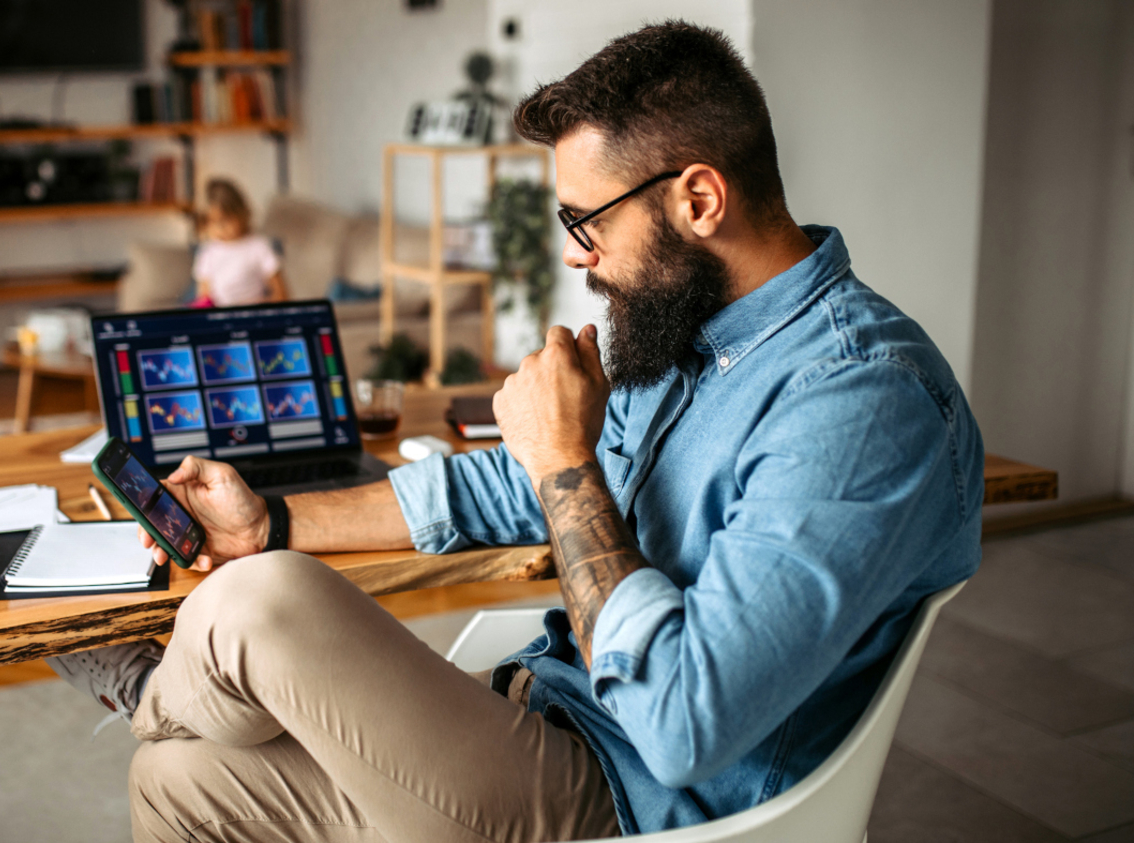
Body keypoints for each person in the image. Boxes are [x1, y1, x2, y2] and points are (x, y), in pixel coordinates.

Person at [48, 21, 982, 842]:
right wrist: (272, 522)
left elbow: (681, 725)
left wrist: (565, 455)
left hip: (637, 800)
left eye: (587, 220)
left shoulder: (859, 402)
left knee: (256, 604)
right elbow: (504, 487)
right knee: (178, 780)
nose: (577, 255)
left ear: (699, 200)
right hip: (545, 720)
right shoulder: (692, 343)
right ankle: (173, 710)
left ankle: (152, 695)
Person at [191, 178, 287, 307]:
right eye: (211, 223)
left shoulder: (259, 246)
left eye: (225, 220)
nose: (219, 228)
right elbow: (204, 296)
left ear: (241, 212)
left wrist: (260, 304)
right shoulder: (208, 252)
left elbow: (282, 295)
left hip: (252, 316)